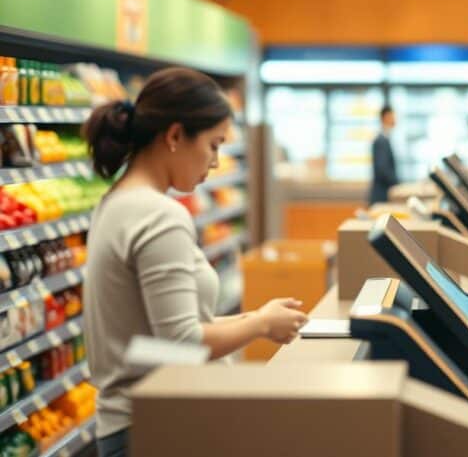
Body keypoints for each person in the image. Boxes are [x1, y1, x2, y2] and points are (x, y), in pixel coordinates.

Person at [83, 67, 309, 457]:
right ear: (174, 136)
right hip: (159, 431)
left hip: (131, 427)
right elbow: (183, 343)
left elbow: (150, 339)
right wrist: (259, 324)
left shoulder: (116, 203)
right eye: (214, 145)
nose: (217, 161)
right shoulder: (159, 215)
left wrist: (252, 319)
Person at [369, 106, 398, 204]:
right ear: (385, 117)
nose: (395, 120)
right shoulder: (381, 141)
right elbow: (383, 169)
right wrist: (397, 184)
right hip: (381, 194)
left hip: (383, 193)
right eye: (392, 117)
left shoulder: (385, 139)